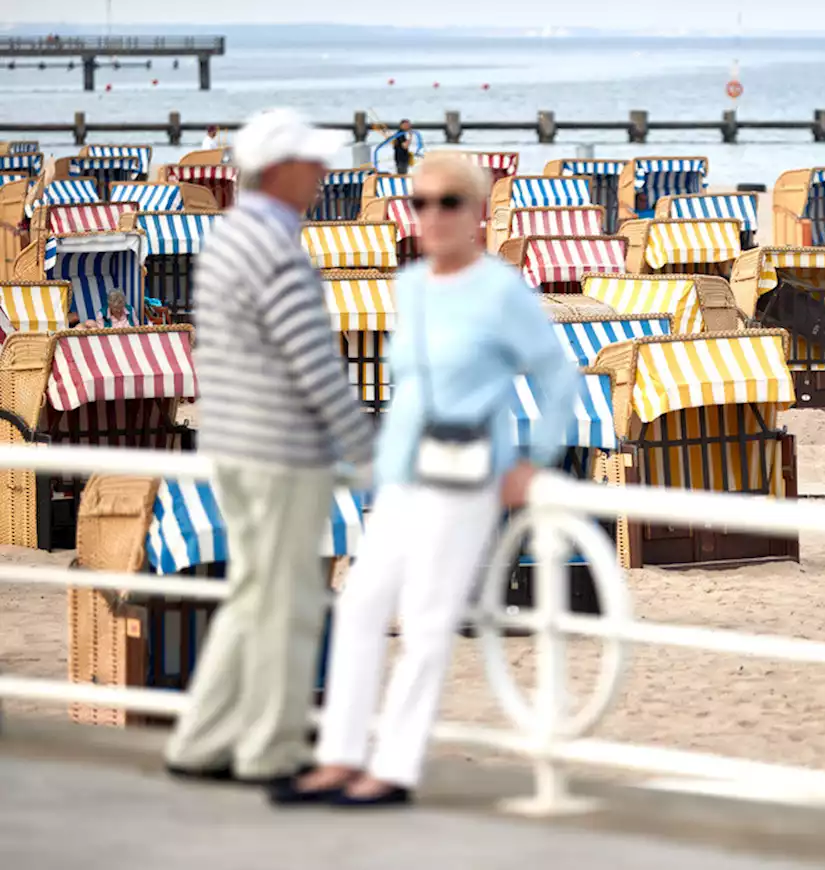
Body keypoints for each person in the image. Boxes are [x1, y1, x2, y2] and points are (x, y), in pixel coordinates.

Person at [269, 152, 579, 808]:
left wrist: (535, 460)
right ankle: (340, 759)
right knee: (358, 606)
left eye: (449, 203)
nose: (432, 216)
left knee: (427, 625)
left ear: (478, 214)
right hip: (404, 477)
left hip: (469, 476)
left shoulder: (501, 291)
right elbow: (407, 389)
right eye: (420, 203)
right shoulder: (409, 287)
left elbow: (558, 378)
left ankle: (392, 769)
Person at [164, 108, 375, 787]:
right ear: (280, 170)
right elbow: (314, 364)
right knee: (286, 604)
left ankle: (200, 739)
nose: (322, 176)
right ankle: (268, 750)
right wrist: (364, 447)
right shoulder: (277, 247)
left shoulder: (226, 237)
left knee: (253, 597)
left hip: (232, 445)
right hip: (281, 452)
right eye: (312, 164)